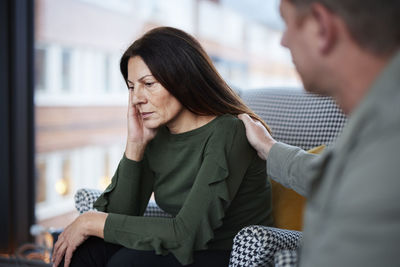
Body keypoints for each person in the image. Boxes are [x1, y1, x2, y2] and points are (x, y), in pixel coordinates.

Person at [52, 27, 274, 267]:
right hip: (181, 249)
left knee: (125, 263)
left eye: (148, 83)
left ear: (184, 79)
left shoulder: (229, 132)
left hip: (230, 254)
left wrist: (88, 221)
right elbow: (120, 216)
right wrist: (135, 145)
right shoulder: (157, 134)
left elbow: (187, 233)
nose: (137, 97)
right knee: (83, 252)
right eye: (131, 86)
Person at [238, 0, 400, 266]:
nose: (284, 41)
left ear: (322, 27)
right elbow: (333, 174)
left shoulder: (384, 154)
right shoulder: (374, 123)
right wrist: (269, 148)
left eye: (287, 22)